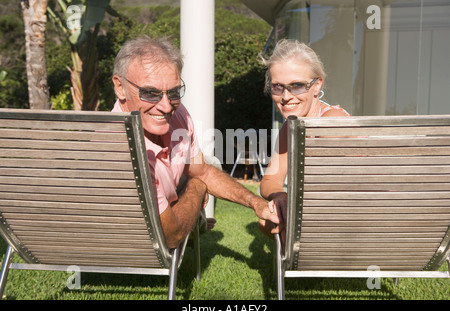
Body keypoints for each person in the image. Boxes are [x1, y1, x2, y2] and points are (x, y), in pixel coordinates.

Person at [111, 35, 280, 248]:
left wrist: (256, 203)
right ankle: (197, 222)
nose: (165, 106)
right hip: (138, 242)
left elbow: (202, 171)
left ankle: (197, 221)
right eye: (150, 93)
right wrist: (197, 188)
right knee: (197, 181)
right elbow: (170, 236)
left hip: (169, 198)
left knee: (210, 165)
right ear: (120, 87)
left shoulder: (178, 114)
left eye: (173, 92)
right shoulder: (123, 150)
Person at [259, 39, 350, 240]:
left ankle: (294, 261)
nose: (286, 96)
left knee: (275, 219)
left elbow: (330, 188)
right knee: (271, 217)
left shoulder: (333, 120)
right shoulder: (289, 129)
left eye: (297, 86)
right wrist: (279, 196)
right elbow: (270, 180)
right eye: (277, 87)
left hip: (354, 215)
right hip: (328, 212)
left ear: (317, 86)